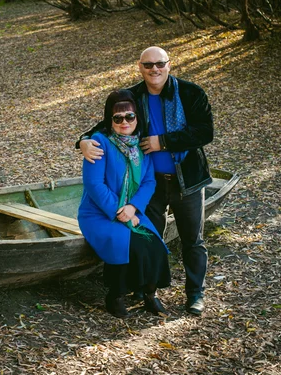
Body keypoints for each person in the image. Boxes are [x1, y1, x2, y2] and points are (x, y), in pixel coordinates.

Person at [77, 47, 214, 316]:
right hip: (151, 185)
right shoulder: (134, 96)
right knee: (151, 234)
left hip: (186, 179)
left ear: (169, 65)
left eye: (160, 64)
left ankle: (195, 293)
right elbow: (108, 121)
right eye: (148, 64)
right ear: (140, 66)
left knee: (192, 240)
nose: (155, 69)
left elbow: (205, 132)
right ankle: (144, 290)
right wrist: (82, 141)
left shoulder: (190, 93)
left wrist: (162, 142)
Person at [77, 89, 171, 319]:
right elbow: (94, 184)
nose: (124, 122)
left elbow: (149, 181)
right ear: (110, 120)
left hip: (131, 209)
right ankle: (116, 295)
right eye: (117, 118)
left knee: (154, 244)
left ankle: (149, 292)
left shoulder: (143, 145)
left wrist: (133, 208)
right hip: (99, 213)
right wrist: (119, 211)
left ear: (137, 117)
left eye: (129, 116)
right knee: (126, 244)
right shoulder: (99, 142)